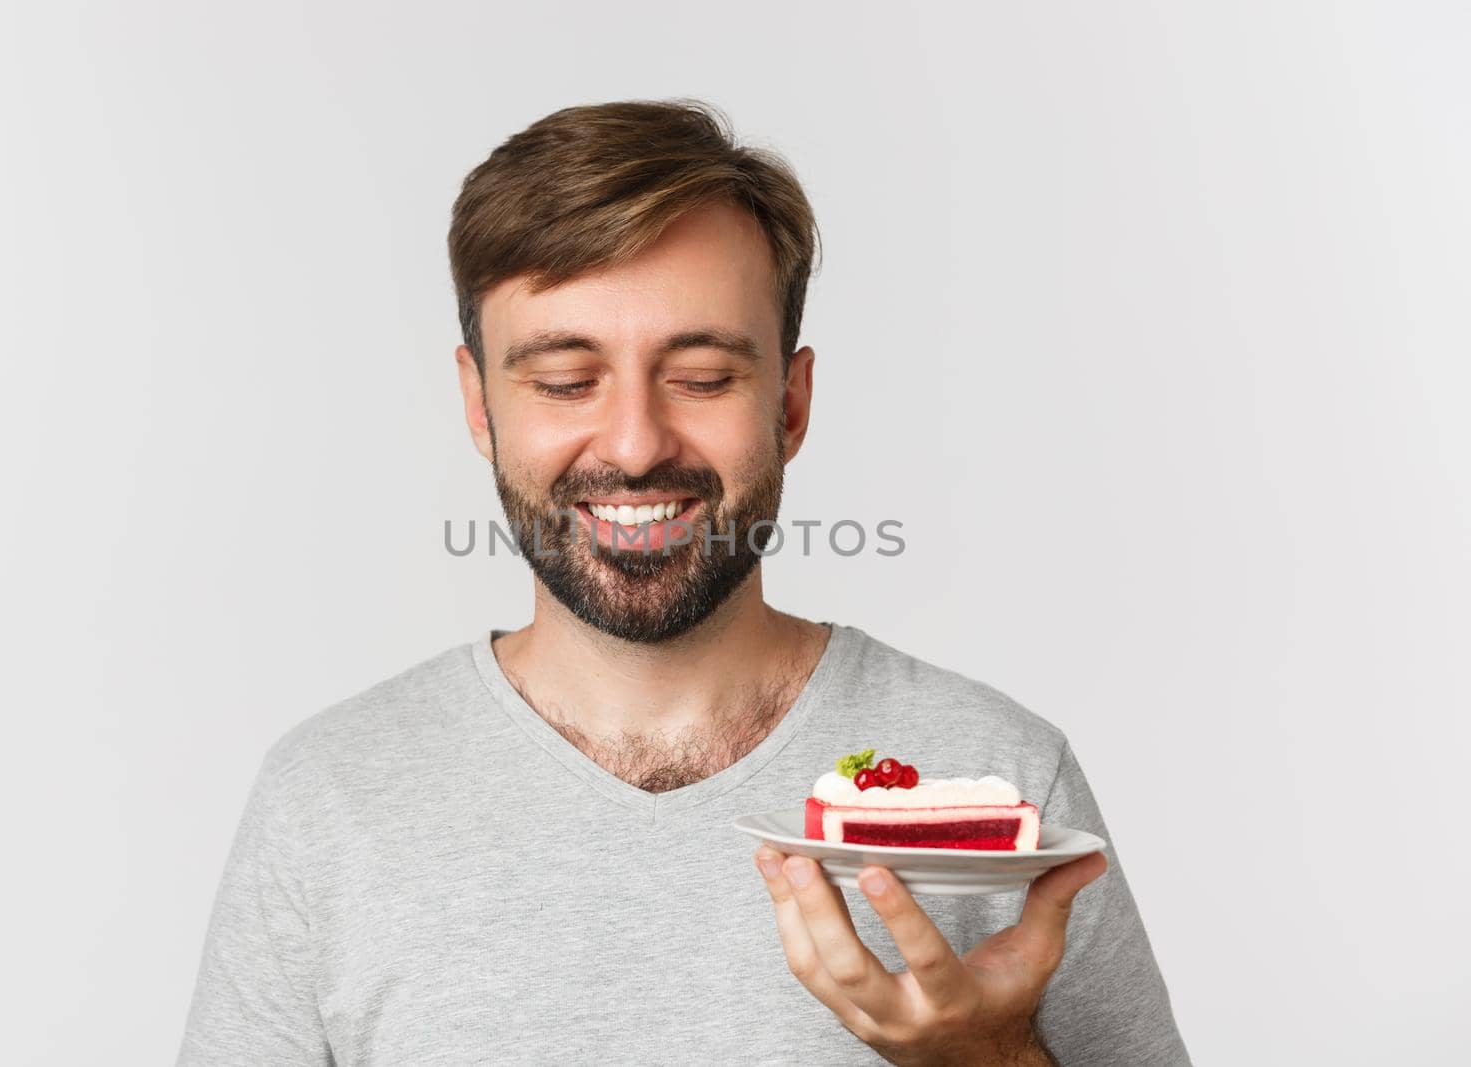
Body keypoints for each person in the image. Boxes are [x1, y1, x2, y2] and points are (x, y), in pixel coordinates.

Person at [178, 98, 1190, 1066]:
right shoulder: (327, 799)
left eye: (702, 377)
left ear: (789, 404)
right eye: (566, 380)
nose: (632, 443)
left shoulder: (1002, 773)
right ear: (479, 405)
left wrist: (986, 1056)